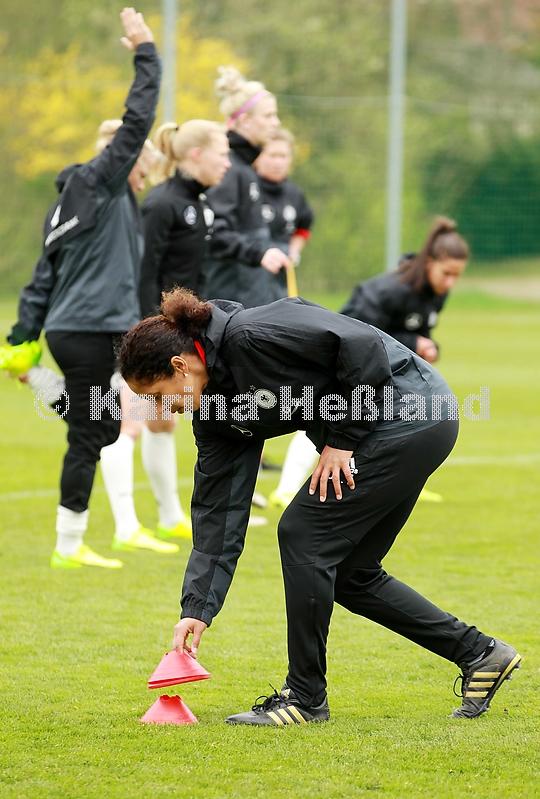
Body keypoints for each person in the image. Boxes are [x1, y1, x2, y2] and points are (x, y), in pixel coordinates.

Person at [118, 288, 521, 725]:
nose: (160, 409)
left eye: (158, 395)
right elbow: (218, 514)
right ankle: (480, 654)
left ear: (179, 366)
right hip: (397, 428)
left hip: (413, 412)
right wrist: (197, 609)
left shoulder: (252, 334)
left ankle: (305, 699)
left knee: (303, 533)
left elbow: (362, 344)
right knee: (349, 573)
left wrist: (342, 441)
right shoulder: (216, 415)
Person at [4, 8, 162, 569]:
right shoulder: (100, 183)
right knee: (91, 432)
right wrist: (146, 53)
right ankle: (68, 547)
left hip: (73, 330)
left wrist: (22, 337)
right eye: (136, 160)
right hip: (94, 330)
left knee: (99, 424)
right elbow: (138, 118)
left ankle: (39, 380)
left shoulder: (65, 207)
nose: (142, 167)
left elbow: (43, 275)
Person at [270, 217, 469, 509]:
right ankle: (285, 489)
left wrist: (428, 346)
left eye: (456, 276)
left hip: (387, 368)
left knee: (403, 419)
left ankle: (405, 481)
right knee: (328, 416)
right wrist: (413, 343)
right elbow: (357, 333)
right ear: (430, 263)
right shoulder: (388, 291)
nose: (450, 282)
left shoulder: (434, 293)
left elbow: (421, 332)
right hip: (346, 361)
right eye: (446, 273)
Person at [100, 120, 231, 546]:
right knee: (130, 425)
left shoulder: (200, 205)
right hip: (147, 337)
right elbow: (144, 273)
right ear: (195, 154)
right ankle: (125, 528)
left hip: (174, 333)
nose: (227, 163)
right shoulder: (161, 203)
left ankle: (170, 516)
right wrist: (143, 335)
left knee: (162, 423)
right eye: (222, 153)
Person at [202, 66, 293, 308]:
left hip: (248, 300)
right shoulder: (229, 168)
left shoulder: (245, 167)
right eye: (269, 116)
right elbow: (215, 229)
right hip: (230, 304)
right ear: (245, 120)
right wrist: (257, 253)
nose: (276, 123)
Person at [254, 127, 314, 302]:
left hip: (281, 278)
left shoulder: (294, 194)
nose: (278, 162)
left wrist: (294, 251)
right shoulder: (247, 189)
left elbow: (304, 226)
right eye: (272, 155)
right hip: (250, 275)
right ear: (257, 157)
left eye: (283, 156)